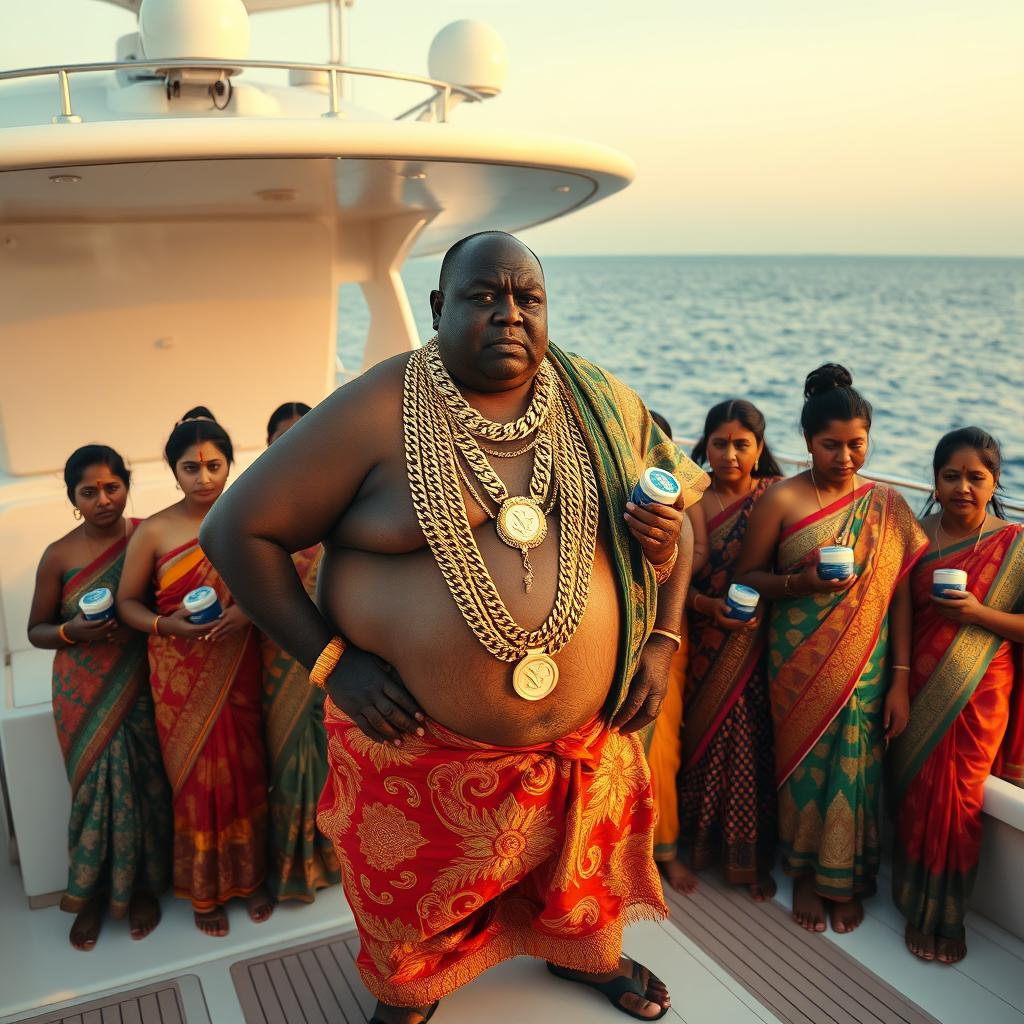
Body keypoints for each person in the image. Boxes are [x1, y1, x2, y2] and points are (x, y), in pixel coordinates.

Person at [200, 231, 708, 1024]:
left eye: (527, 298)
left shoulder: (601, 403)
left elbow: (684, 510)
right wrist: (334, 661)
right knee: (411, 908)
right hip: (418, 747)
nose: (509, 314)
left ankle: (583, 955)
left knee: (578, 884)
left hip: (583, 736)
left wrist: (663, 638)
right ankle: (411, 990)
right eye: (482, 296)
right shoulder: (376, 408)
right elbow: (236, 531)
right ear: (439, 308)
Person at [735, 365, 927, 935]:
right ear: (807, 442)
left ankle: (847, 880)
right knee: (804, 771)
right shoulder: (782, 499)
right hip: (796, 664)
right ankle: (803, 874)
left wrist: (899, 681)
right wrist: (801, 585)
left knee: (859, 771)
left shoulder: (888, 505)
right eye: (831, 445)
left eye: (857, 444)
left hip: (868, 666)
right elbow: (745, 579)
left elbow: (899, 598)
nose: (845, 457)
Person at [116, 409, 272, 937]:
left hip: (237, 661)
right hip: (177, 671)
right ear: (173, 471)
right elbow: (127, 604)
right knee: (193, 780)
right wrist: (167, 626)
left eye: (214, 465)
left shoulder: (245, 516)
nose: (204, 478)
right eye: (191, 468)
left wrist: (246, 612)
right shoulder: (155, 530)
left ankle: (249, 880)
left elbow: (275, 581)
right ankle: (204, 892)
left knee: (246, 771)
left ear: (230, 464)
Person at [27, 446, 172, 950]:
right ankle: (88, 899)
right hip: (81, 689)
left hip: (139, 680)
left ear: (126, 486)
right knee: (94, 796)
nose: (103, 499)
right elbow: (36, 631)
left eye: (112, 487)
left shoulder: (147, 535)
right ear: (73, 498)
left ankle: (144, 892)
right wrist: (73, 632)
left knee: (146, 786)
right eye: (89, 491)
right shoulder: (59, 554)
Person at [891, 427, 1024, 964]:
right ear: (935, 480)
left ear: (994, 483)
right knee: (918, 793)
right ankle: (911, 900)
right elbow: (900, 615)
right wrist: (897, 685)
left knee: (962, 801)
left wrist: (978, 615)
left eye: (976, 477)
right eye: (952, 476)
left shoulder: (1015, 546)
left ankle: (948, 915)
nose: (963, 487)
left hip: (982, 690)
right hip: (918, 687)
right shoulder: (917, 537)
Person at [668, 400, 783, 899]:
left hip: (756, 642)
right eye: (720, 443)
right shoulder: (690, 495)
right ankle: (691, 846)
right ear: (705, 445)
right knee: (695, 740)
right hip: (697, 636)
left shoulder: (776, 498)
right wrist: (706, 607)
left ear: (759, 449)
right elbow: (671, 576)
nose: (730, 454)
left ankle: (748, 858)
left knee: (748, 745)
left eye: (742, 444)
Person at [261, 402, 341, 902]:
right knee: (290, 760)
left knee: (334, 760)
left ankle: (337, 860)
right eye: (280, 438)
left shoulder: (344, 502)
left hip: (340, 659)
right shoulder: (260, 510)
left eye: (301, 434)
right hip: (280, 659)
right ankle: (293, 870)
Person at [642, 411, 698, 892]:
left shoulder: (680, 506)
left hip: (667, 639)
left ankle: (665, 850)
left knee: (663, 752)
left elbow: (684, 566)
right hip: (612, 645)